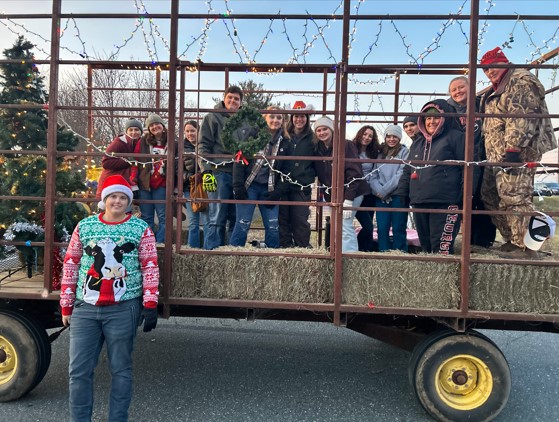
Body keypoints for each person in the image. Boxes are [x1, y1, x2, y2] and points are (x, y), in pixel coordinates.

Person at [60, 174, 159, 422]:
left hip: (123, 307)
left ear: (129, 201)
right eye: (113, 196)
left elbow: (149, 266)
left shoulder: (140, 228)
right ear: (104, 199)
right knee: (78, 371)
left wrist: (150, 303)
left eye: (123, 197)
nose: (118, 201)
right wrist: (66, 304)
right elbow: (71, 263)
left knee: (121, 369)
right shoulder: (85, 226)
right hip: (86, 306)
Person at [479, 47, 557, 258]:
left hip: (518, 152)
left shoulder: (520, 81)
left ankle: (525, 247)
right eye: (485, 69)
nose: (489, 72)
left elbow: (521, 116)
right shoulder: (497, 87)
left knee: (515, 197)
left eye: (493, 66)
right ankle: (512, 240)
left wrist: (513, 149)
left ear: (504, 62)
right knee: (490, 194)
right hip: (497, 155)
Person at [396, 99, 465, 255]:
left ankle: (445, 279)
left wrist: (465, 194)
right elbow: (409, 169)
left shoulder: (456, 137)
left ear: (444, 119)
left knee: (442, 247)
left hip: (445, 201)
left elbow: (468, 168)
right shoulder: (418, 142)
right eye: (428, 118)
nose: (431, 121)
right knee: (426, 246)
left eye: (436, 117)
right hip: (420, 200)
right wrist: (403, 192)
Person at [230, 106, 293, 248]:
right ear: (265, 118)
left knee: (273, 226)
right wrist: (238, 186)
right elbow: (239, 160)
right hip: (249, 186)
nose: (275, 120)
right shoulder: (253, 135)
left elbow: (288, 171)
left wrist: (278, 192)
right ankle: (234, 255)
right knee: (242, 223)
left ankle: (271, 257)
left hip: (269, 189)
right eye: (272, 116)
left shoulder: (286, 142)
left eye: (278, 118)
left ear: (282, 121)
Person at [447, 76, 496, 249]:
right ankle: (464, 238)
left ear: (471, 88)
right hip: (459, 161)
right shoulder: (447, 110)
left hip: (483, 158)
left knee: (484, 198)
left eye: (461, 87)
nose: (458, 92)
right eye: (454, 90)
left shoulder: (482, 105)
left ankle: (483, 240)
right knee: (462, 198)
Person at [313, 116, 370, 252]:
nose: (322, 133)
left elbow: (355, 173)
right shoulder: (319, 149)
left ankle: (349, 258)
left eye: (325, 129)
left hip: (352, 192)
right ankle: (339, 254)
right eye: (318, 130)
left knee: (345, 224)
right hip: (333, 194)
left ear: (332, 129)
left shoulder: (345, 145)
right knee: (337, 226)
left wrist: (349, 198)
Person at [198, 86, 246, 250]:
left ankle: (231, 253)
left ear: (241, 103)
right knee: (216, 214)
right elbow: (203, 145)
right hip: (217, 171)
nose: (233, 101)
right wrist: (206, 171)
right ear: (224, 98)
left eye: (236, 99)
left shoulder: (246, 120)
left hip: (239, 174)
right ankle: (212, 253)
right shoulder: (212, 118)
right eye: (230, 97)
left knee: (235, 215)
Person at [279, 100, 317, 248]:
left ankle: (302, 248)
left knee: (300, 218)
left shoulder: (313, 138)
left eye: (302, 116)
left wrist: (308, 176)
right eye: (296, 116)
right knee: (283, 218)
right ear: (292, 117)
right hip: (283, 184)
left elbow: (319, 161)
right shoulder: (284, 136)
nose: (299, 119)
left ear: (307, 119)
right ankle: (285, 248)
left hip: (301, 185)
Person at [370, 125, 409, 252]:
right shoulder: (379, 153)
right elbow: (373, 174)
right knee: (382, 227)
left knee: (398, 227)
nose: (391, 139)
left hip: (397, 195)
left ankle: (400, 253)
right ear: (385, 137)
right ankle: (383, 252)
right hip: (380, 197)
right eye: (389, 136)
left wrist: (386, 191)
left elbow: (401, 174)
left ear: (399, 138)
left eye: (395, 137)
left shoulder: (404, 152)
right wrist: (379, 191)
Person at [130, 113, 168, 243]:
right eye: (151, 125)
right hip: (145, 184)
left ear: (162, 125)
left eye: (157, 123)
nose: (154, 127)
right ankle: (148, 243)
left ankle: (161, 242)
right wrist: (134, 181)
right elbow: (135, 161)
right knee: (147, 216)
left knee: (163, 216)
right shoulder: (143, 142)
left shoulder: (172, 141)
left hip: (162, 184)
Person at [96, 118, 143, 199]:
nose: (133, 132)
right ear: (126, 131)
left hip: (124, 182)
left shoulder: (139, 144)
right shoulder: (119, 142)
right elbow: (106, 163)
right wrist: (127, 160)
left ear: (141, 132)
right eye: (130, 130)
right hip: (112, 181)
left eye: (137, 130)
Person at [179, 120, 209, 248]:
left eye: (193, 130)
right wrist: (189, 177)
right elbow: (177, 169)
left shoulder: (206, 145)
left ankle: (209, 248)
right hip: (189, 187)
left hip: (206, 186)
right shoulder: (181, 148)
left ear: (199, 131)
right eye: (187, 131)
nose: (190, 134)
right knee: (193, 221)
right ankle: (193, 248)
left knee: (208, 220)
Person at [352, 125, 381, 252]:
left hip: (370, 193)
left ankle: (366, 252)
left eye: (370, 136)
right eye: (365, 134)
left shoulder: (374, 153)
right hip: (357, 192)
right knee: (368, 226)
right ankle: (356, 249)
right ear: (359, 134)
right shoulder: (352, 149)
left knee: (368, 227)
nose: (367, 137)